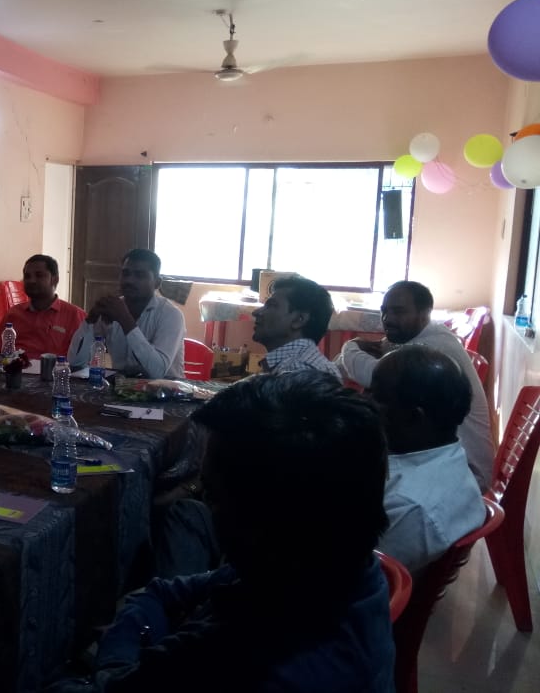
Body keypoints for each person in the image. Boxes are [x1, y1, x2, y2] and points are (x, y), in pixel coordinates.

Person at [81, 372, 394, 692]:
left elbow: (117, 683)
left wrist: (117, 652)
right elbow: (165, 592)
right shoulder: (327, 565)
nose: (206, 505)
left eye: (212, 495)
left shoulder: (241, 662)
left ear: (259, 524)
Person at [335, 280, 494, 488]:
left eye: (398, 311)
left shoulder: (432, 346)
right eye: (384, 311)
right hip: (442, 457)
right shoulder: (421, 334)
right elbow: (353, 362)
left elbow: (374, 374)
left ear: (425, 314)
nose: (387, 319)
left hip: (465, 472)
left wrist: (349, 346)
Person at [371, 345, 487, 575]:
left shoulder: (410, 509)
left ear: (414, 418)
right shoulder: (448, 457)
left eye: (375, 397)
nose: (364, 402)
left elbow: (349, 578)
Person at [68, 249, 186, 379]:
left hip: (165, 389)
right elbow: (75, 363)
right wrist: (90, 320)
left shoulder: (171, 315)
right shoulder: (112, 308)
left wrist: (125, 320)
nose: (129, 280)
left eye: (139, 275)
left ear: (157, 283)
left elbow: (157, 372)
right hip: (121, 388)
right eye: (125, 274)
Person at [0, 254, 86, 357]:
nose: (32, 281)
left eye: (39, 275)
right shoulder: (13, 314)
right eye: (27, 276)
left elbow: (85, 358)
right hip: (16, 367)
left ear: (55, 280)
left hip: (56, 367)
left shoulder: (75, 316)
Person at [251, 274, 341, 379]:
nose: (256, 312)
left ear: (298, 320)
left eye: (272, 305)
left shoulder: (294, 370)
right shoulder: (307, 362)